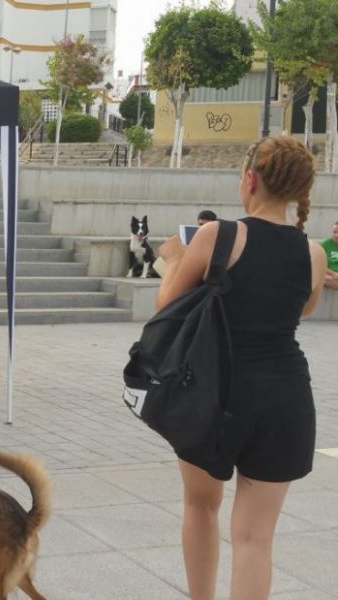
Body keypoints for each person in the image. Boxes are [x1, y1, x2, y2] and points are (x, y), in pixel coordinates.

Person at [156, 136, 324, 600]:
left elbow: (167, 307)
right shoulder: (312, 252)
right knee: (255, 538)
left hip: (214, 391)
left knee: (200, 506)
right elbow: (304, 307)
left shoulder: (218, 236)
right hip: (285, 399)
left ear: (250, 179)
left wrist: (171, 258)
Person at [319, 221, 338, 290]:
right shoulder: (324, 245)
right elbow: (319, 265)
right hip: (329, 275)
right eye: (334, 232)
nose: (336, 235)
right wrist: (333, 274)